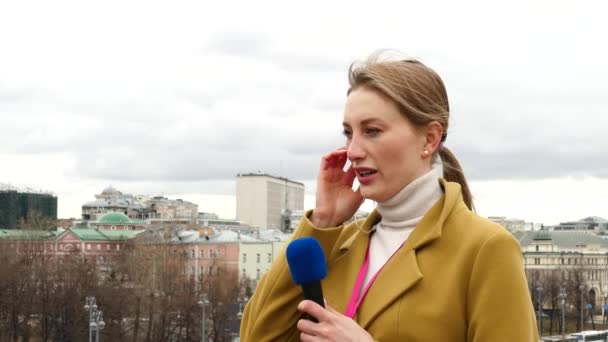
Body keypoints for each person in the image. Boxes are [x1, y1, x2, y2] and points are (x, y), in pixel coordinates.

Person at [240, 52, 538, 341]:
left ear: (430, 138)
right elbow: (257, 337)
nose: (353, 151)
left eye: (372, 130)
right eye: (349, 133)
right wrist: (324, 220)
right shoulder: (338, 243)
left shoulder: (485, 249)